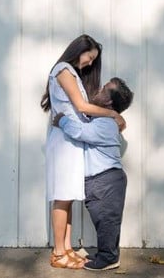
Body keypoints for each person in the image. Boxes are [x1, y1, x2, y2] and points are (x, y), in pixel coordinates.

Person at [41, 34, 126, 269]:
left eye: (93, 60)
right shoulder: (63, 70)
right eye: (90, 57)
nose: (90, 63)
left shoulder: (73, 73)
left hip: (71, 140)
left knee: (68, 196)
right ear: (79, 49)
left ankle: (67, 249)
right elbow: (81, 106)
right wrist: (113, 113)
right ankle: (59, 253)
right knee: (62, 197)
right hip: (63, 141)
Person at [53, 77, 134, 271]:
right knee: (105, 221)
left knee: (106, 221)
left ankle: (108, 258)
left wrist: (61, 120)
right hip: (104, 180)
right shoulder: (102, 119)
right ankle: (107, 254)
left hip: (105, 180)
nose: (99, 88)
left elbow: (80, 132)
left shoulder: (106, 123)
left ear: (108, 101)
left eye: (104, 88)